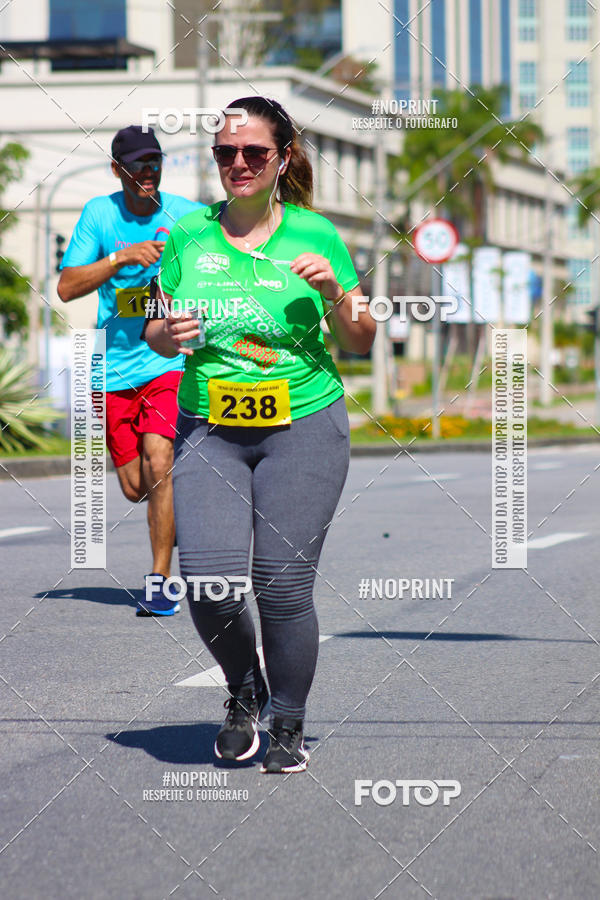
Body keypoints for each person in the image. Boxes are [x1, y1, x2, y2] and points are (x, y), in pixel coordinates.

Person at [144, 96, 375, 773]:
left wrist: (336, 290)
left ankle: (289, 723)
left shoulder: (316, 235)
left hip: (303, 423)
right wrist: (165, 333)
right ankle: (245, 690)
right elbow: (155, 329)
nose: (238, 163)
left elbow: (360, 339)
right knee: (209, 583)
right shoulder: (188, 235)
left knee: (279, 584)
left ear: (283, 159)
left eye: (253, 153)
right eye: (225, 153)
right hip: (210, 427)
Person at [58, 125, 201, 616]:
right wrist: (121, 257)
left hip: (164, 360)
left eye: (154, 162)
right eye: (138, 164)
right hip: (112, 368)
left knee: (160, 463)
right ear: (118, 169)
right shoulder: (100, 215)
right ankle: (181, 509)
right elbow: (66, 287)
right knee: (136, 486)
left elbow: (223, 254)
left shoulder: (183, 215)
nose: (148, 171)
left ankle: (161, 582)